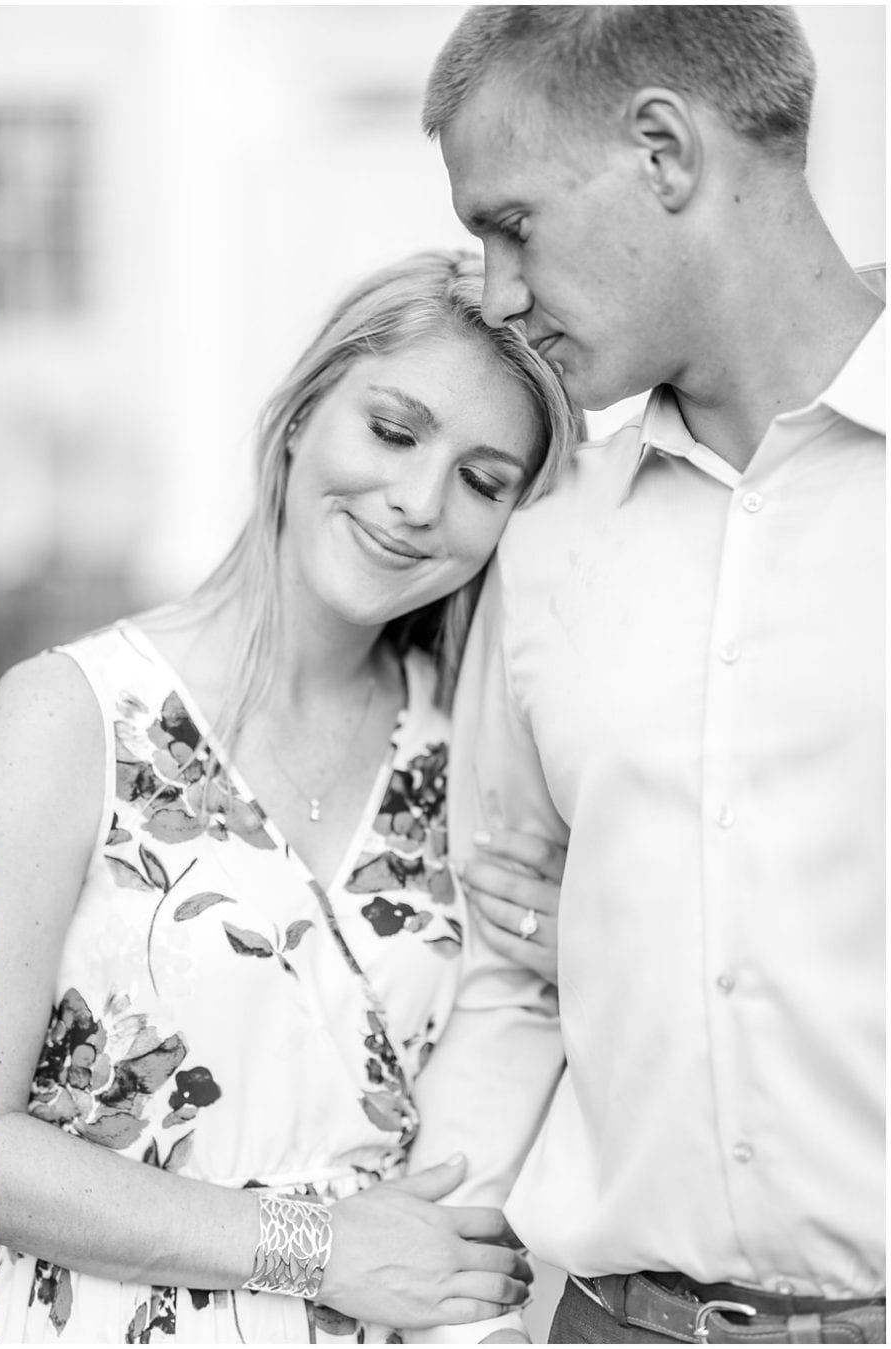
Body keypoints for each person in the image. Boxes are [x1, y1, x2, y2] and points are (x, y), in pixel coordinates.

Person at [0, 250, 582, 1343]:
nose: (416, 502)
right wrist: (316, 1246)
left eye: (482, 480)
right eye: (394, 432)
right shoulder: (69, 717)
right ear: (304, 412)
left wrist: (581, 950)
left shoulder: (479, 761)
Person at [408, 7, 885, 1344]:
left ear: (664, 152)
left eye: (514, 225)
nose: (498, 291)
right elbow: (513, 980)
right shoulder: (548, 542)